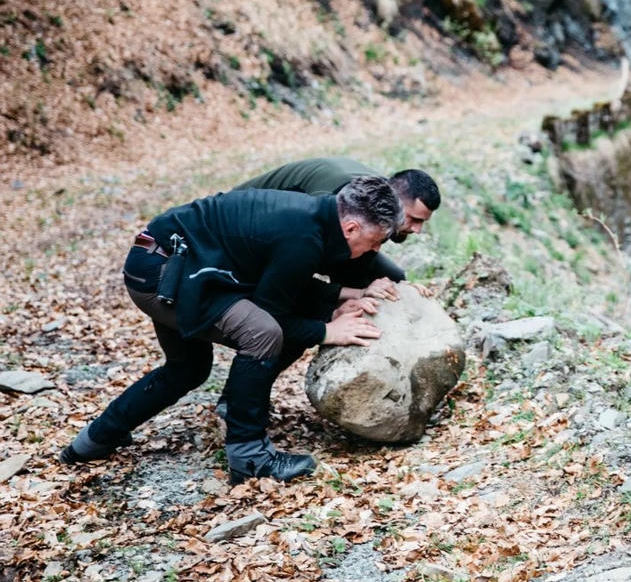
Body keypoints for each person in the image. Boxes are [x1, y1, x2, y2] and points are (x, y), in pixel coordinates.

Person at [59, 176, 403, 483]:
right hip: (166, 274)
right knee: (263, 333)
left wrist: (349, 294)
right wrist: (327, 332)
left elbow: (285, 284)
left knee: (188, 369)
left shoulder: (313, 218)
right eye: (375, 242)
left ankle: (93, 440)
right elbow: (274, 314)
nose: (373, 251)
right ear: (353, 228)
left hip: (166, 261)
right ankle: (250, 456)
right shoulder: (304, 237)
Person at [234, 157, 441, 307]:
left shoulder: (379, 203)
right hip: (244, 228)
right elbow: (298, 267)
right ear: (394, 200)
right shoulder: (337, 201)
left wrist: (404, 290)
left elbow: (366, 268)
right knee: (310, 312)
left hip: (308, 232)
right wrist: (341, 301)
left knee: (392, 279)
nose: (417, 229)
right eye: (414, 219)